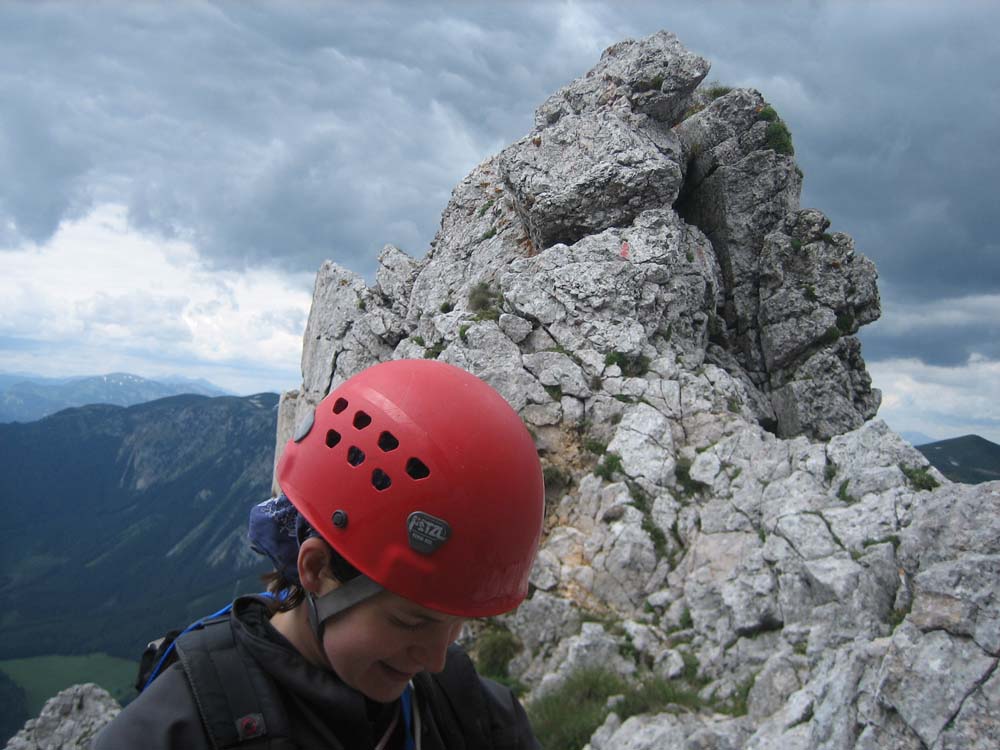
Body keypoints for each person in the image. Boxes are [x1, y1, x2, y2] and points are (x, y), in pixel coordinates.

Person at [95, 359, 545, 749]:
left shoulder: (470, 711)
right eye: (411, 622)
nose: (436, 660)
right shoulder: (171, 734)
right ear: (316, 569)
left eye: (455, 625)